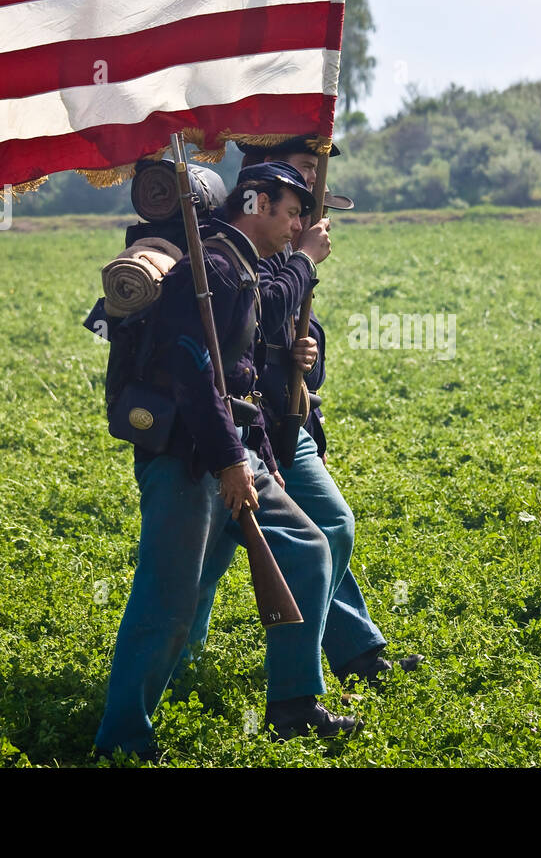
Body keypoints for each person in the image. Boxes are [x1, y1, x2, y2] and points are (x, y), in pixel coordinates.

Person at [89, 161, 358, 757]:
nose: (297, 227)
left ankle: (292, 703)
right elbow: (192, 374)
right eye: (291, 214)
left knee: (310, 548)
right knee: (169, 603)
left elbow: (245, 378)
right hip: (190, 458)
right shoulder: (208, 269)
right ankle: (122, 739)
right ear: (256, 203)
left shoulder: (243, 269)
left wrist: (260, 457)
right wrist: (230, 458)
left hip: (237, 451)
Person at [187, 136, 423, 691]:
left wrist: (306, 359)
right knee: (205, 560)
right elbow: (260, 306)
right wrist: (301, 261)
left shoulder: (289, 237)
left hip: (286, 426)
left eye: (314, 178)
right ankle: (182, 668)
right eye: (300, 173)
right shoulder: (238, 240)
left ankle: (343, 654)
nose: (311, 190)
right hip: (236, 429)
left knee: (330, 529)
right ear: (260, 184)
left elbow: (295, 330)